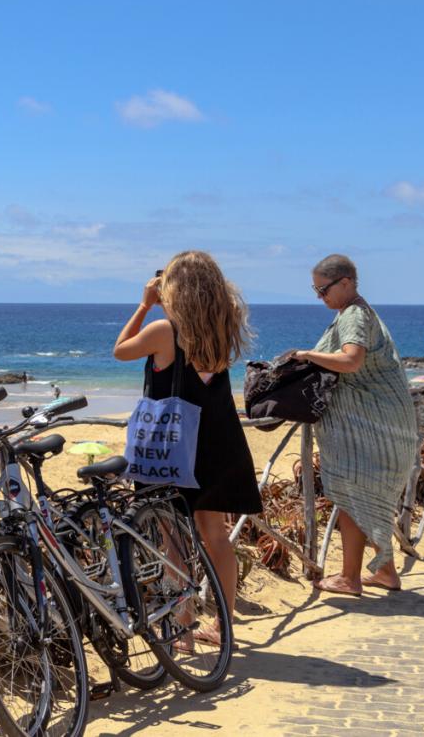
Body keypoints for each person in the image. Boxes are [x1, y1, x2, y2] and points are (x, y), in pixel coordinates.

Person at [113, 250, 262, 643]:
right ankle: (223, 623)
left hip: (176, 447)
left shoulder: (164, 330)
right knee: (215, 535)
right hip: (219, 441)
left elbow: (121, 349)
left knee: (171, 538)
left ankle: (182, 625)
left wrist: (146, 304)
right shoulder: (224, 323)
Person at [294, 254, 417, 596]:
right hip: (388, 427)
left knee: (352, 496)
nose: (320, 298)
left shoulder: (353, 316)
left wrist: (307, 355)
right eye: (316, 291)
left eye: (323, 290)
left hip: (374, 430)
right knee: (363, 498)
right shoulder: (360, 313)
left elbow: (351, 360)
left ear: (346, 282)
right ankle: (387, 572)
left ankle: (350, 578)